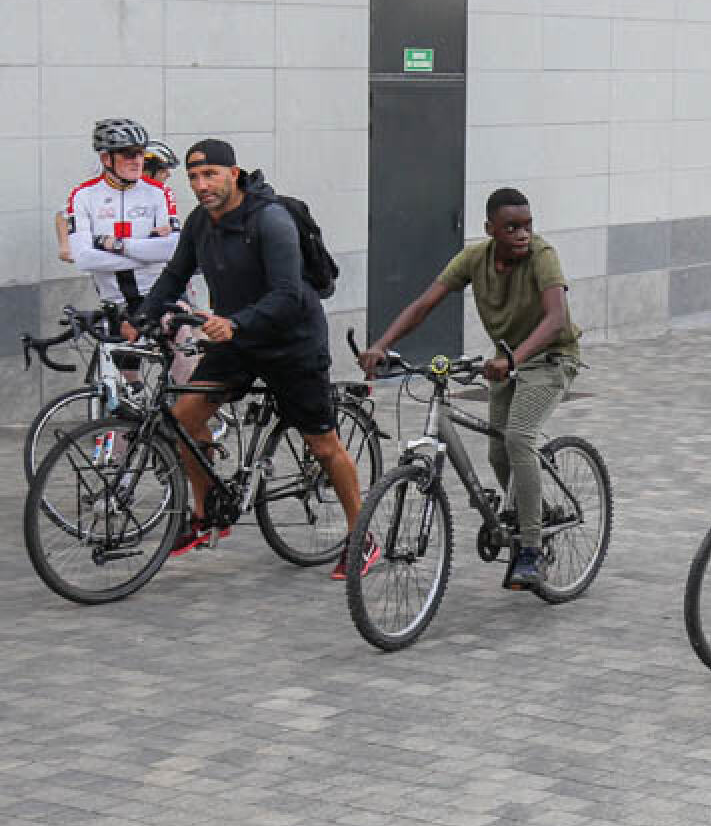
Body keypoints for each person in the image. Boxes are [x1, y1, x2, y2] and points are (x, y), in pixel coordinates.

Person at [132, 140, 364, 568]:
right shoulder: (200, 222)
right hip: (236, 340)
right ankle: (205, 514)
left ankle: (361, 535)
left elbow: (288, 295)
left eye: (210, 175)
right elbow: (174, 274)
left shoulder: (270, 220)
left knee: (322, 444)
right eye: (194, 177)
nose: (201, 185)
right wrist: (142, 317)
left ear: (233, 174)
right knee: (184, 420)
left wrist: (235, 323)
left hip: (291, 343)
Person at [358, 188, 582, 593]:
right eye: (511, 227)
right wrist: (381, 344)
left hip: (550, 358)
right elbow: (424, 304)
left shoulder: (542, 256)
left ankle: (531, 550)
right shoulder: (474, 259)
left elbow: (555, 319)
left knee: (519, 438)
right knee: (498, 453)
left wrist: (513, 361)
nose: (522, 234)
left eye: (527, 225)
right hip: (506, 361)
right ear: (489, 229)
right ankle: (537, 511)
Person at [66, 118, 182, 310]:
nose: (137, 161)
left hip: (159, 299)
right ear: (106, 159)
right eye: (128, 154)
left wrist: (113, 245)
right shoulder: (83, 195)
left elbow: (172, 250)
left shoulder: (159, 192)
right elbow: (84, 259)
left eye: (140, 153)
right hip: (114, 305)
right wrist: (149, 256)